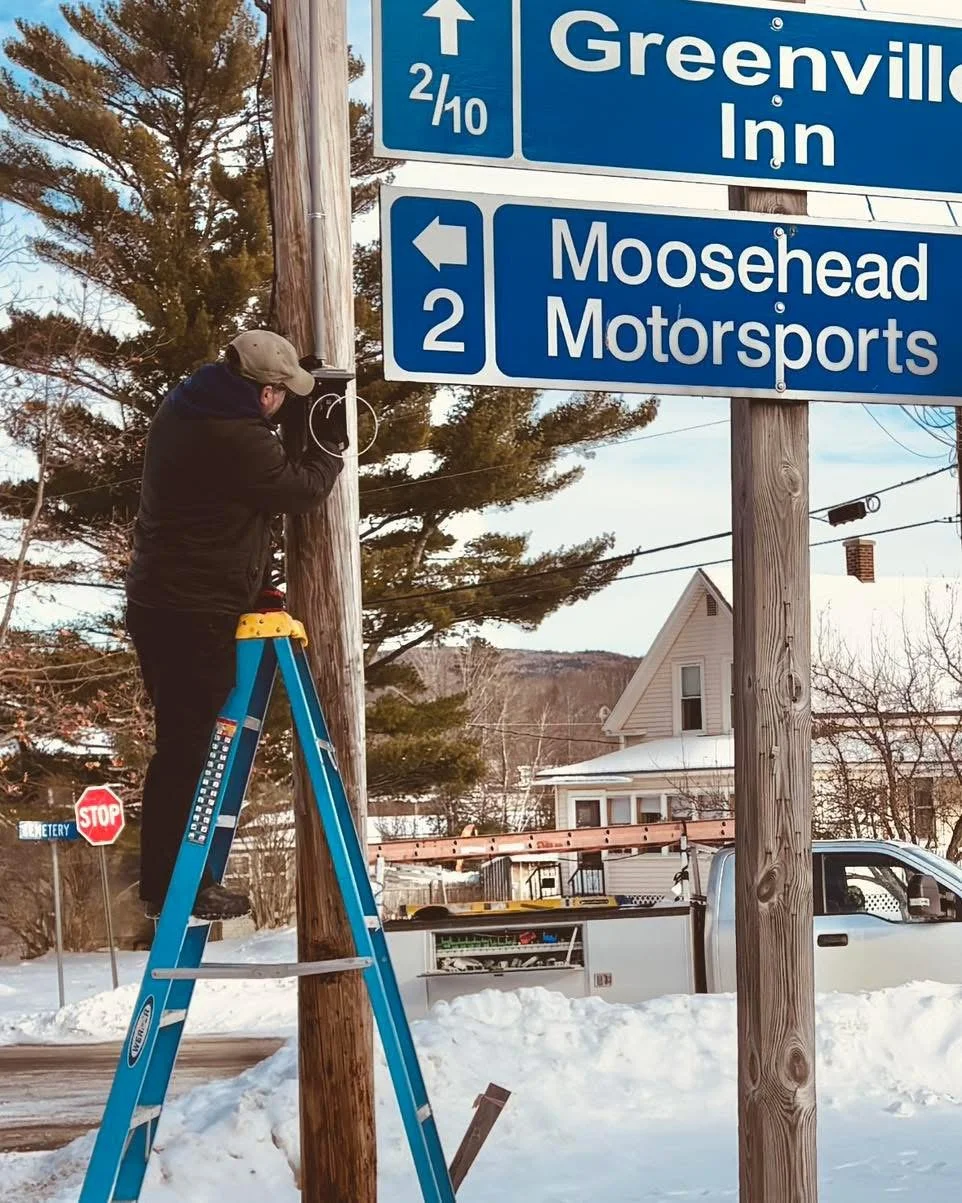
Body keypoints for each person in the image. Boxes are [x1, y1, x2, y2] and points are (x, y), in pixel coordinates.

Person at [126, 330, 346, 920]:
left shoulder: (195, 400)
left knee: (186, 743)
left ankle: (170, 882)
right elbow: (298, 490)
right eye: (283, 393)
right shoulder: (234, 437)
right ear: (265, 392)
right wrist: (328, 447)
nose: (282, 404)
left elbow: (228, 508)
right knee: (186, 747)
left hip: (173, 599)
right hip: (188, 611)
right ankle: (174, 887)